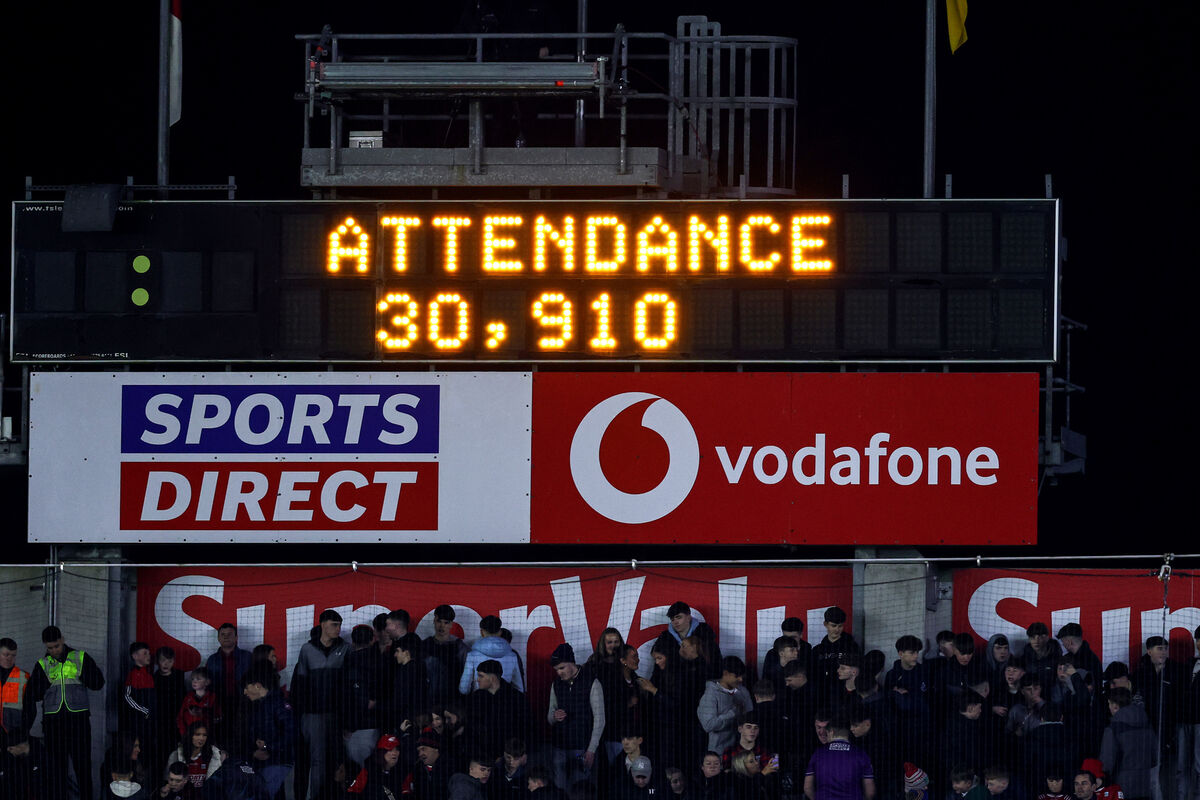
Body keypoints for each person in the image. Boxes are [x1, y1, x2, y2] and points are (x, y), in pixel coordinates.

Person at [25, 624, 106, 800]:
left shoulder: (80, 657)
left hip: (79, 725)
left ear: (63, 640)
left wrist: (82, 673)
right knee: (56, 771)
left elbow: (98, 683)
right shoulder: (42, 665)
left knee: (83, 768)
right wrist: (46, 682)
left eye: (57, 646)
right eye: (50, 647)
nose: (54, 650)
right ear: (45, 646)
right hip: (54, 726)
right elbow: (33, 695)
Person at [292, 608, 351, 799]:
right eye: (335, 625)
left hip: (335, 714)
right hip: (313, 715)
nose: (338, 629)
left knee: (334, 760)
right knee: (317, 760)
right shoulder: (307, 650)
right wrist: (301, 715)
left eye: (340, 625)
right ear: (323, 625)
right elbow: (299, 684)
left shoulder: (345, 649)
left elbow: (348, 684)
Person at [547, 642, 604, 791]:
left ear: (572, 662)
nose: (559, 673)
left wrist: (591, 749)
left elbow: (600, 719)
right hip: (559, 747)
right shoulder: (556, 684)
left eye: (562, 668)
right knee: (560, 790)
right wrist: (555, 716)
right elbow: (550, 717)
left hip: (582, 746)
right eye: (556, 669)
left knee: (579, 790)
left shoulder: (592, 682)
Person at [234, 663, 296, 798]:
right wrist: (254, 753)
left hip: (279, 762)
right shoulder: (256, 706)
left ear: (257, 686)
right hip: (262, 764)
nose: (244, 692)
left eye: (246, 687)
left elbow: (291, 734)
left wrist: (269, 747)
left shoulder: (279, 704)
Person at [1099, 686, 1155, 800]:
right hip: (1146, 783)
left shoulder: (1113, 729)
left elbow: (1107, 761)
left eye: (1109, 704)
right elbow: (1155, 755)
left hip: (1122, 784)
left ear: (1115, 706)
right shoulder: (1147, 723)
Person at [803, 715, 874, 800]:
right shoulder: (861, 755)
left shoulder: (817, 754)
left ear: (831, 732)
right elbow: (870, 792)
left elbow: (807, 788)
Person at [204, 623, 253, 735]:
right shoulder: (212, 660)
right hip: (219, 702)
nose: (226, 637)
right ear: (218, 638)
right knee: (221, 734)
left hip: (243, 702)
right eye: (223, 634)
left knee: (242, 734)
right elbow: (208, 684)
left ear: (236, 637)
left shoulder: (248, 657)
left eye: (230, 634)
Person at [698, 656, 753, 754]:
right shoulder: (710, 696)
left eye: (742, 676)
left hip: (742, 753)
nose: (740, 679)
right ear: (726, 674)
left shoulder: (743, 692)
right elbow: (708, 725)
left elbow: (751, 718)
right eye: (737, 676)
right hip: (719, 753)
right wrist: (733, 712)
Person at [0, 637, 33, 799]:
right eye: (6, 654)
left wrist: (23, 733)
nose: (9, 659)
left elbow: (30, 710)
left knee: (16, 780)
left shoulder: (24, 677)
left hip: (14, 737)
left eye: (13, 655)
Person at [344, 623, 382, 766]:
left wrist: (350, 727)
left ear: (353, 642)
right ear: (373, 640)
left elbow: (356, 699)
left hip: (358, 729)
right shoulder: (381, 661)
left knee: (361, 774)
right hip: (376, 725)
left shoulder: (350, 663)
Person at [655, 602, 721, 679]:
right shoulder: (665, 637)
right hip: (675, 683)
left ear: (689, 617)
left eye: (678, 617)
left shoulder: (705, 634)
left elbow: (715, 662)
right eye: (672, 619)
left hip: (703, 680)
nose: (675, 622)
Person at [461, 615, 525, 694]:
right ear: (500, 632)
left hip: (479, 701)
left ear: (482, 632)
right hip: (503, 702)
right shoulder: (512, 656)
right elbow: (519, 687)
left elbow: (464, 687)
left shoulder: (472, 655)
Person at [424, 604, 469, 707]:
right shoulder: (424, 645)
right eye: (439, 621)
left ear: (451, 624)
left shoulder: (460, 647)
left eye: (446, 623)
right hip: (429, 702)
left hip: (453, 701)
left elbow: (467, 676)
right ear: (434, 621)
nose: (442, 626)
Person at [811, 608, 861, 696]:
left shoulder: (851, 646)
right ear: (825, 624)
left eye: (840, 626)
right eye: (833, 626)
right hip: (822, 692)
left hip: (845, 692)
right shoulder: (818, 650)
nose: (837, 629)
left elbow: (857, 670)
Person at [122, 642, 157, 755]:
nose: (148, 656)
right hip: (137, 721)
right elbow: (127, 697)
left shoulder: (148, 675)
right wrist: (143, 710)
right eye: (145, 653)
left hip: (148, 722)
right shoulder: (133, 674)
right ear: (135, 656)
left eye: (149, 653)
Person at [347, 732, 404, 799]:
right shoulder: (367, 772)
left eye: (397, 749)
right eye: (390, 749)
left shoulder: (403, 772)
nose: (394, 753)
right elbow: (351, 792)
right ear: (381, 752)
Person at [167, 722, 222, 790]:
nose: (201, 738)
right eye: (197, 734)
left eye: (204, 735)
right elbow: (168, 781)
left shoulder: (214, 755)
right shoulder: (176, 755)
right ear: (190, 735)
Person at [177, 667, 220, 739]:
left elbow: (217, 716)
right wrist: (183, 733)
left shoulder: (212, 697)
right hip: (189, 734)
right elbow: (180, 717)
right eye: (193, 679)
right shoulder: (188, 697)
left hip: (205, 735)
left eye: (198, 679)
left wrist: (203, 712)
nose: (194, 681)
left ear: (207, 682)